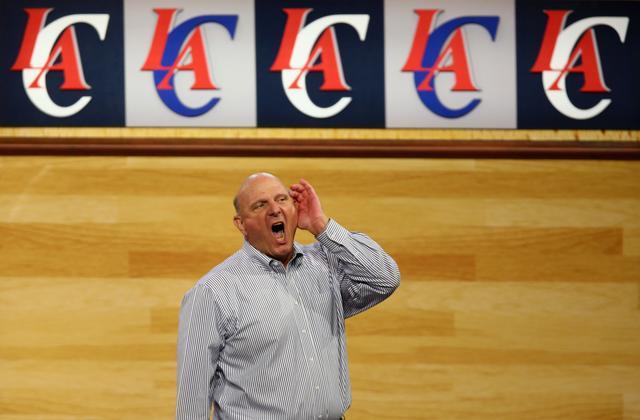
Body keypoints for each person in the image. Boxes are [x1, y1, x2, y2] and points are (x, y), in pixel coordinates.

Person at [176, 173, 400, 420]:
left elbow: (385, 278)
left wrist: (320, 224)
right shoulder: (213, 292)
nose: (274, 209)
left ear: (294, 209)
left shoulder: (325, 265)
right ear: (241, 224)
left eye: (282, 199)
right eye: (260, 205)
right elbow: (191, 399)